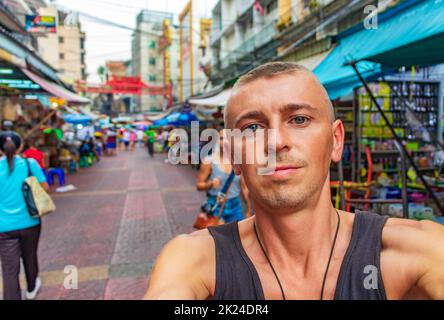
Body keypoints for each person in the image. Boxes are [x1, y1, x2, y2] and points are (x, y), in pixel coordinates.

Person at [145, 62, 444, 300]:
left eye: (299, 119)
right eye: (252, 127)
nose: (276, 143)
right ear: (234, 155)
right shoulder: (195, 261)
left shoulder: (416, 252)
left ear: (336, 141)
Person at [0, 132, 48, 300]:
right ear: (20, 146)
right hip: (30, 221)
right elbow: (44, 186)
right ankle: (31, 287)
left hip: (3, 227)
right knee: (30, 255)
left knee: (9, 269)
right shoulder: (30, 164)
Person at [196, 131, 251, 223]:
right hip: (216, 204)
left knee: (237, 236)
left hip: (235, 206)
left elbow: (244, 187)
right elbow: (199, 185)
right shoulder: (208, 161)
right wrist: (210, 184)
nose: (225, 142)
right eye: (221, 139)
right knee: (217, 236)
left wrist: (249, 208)